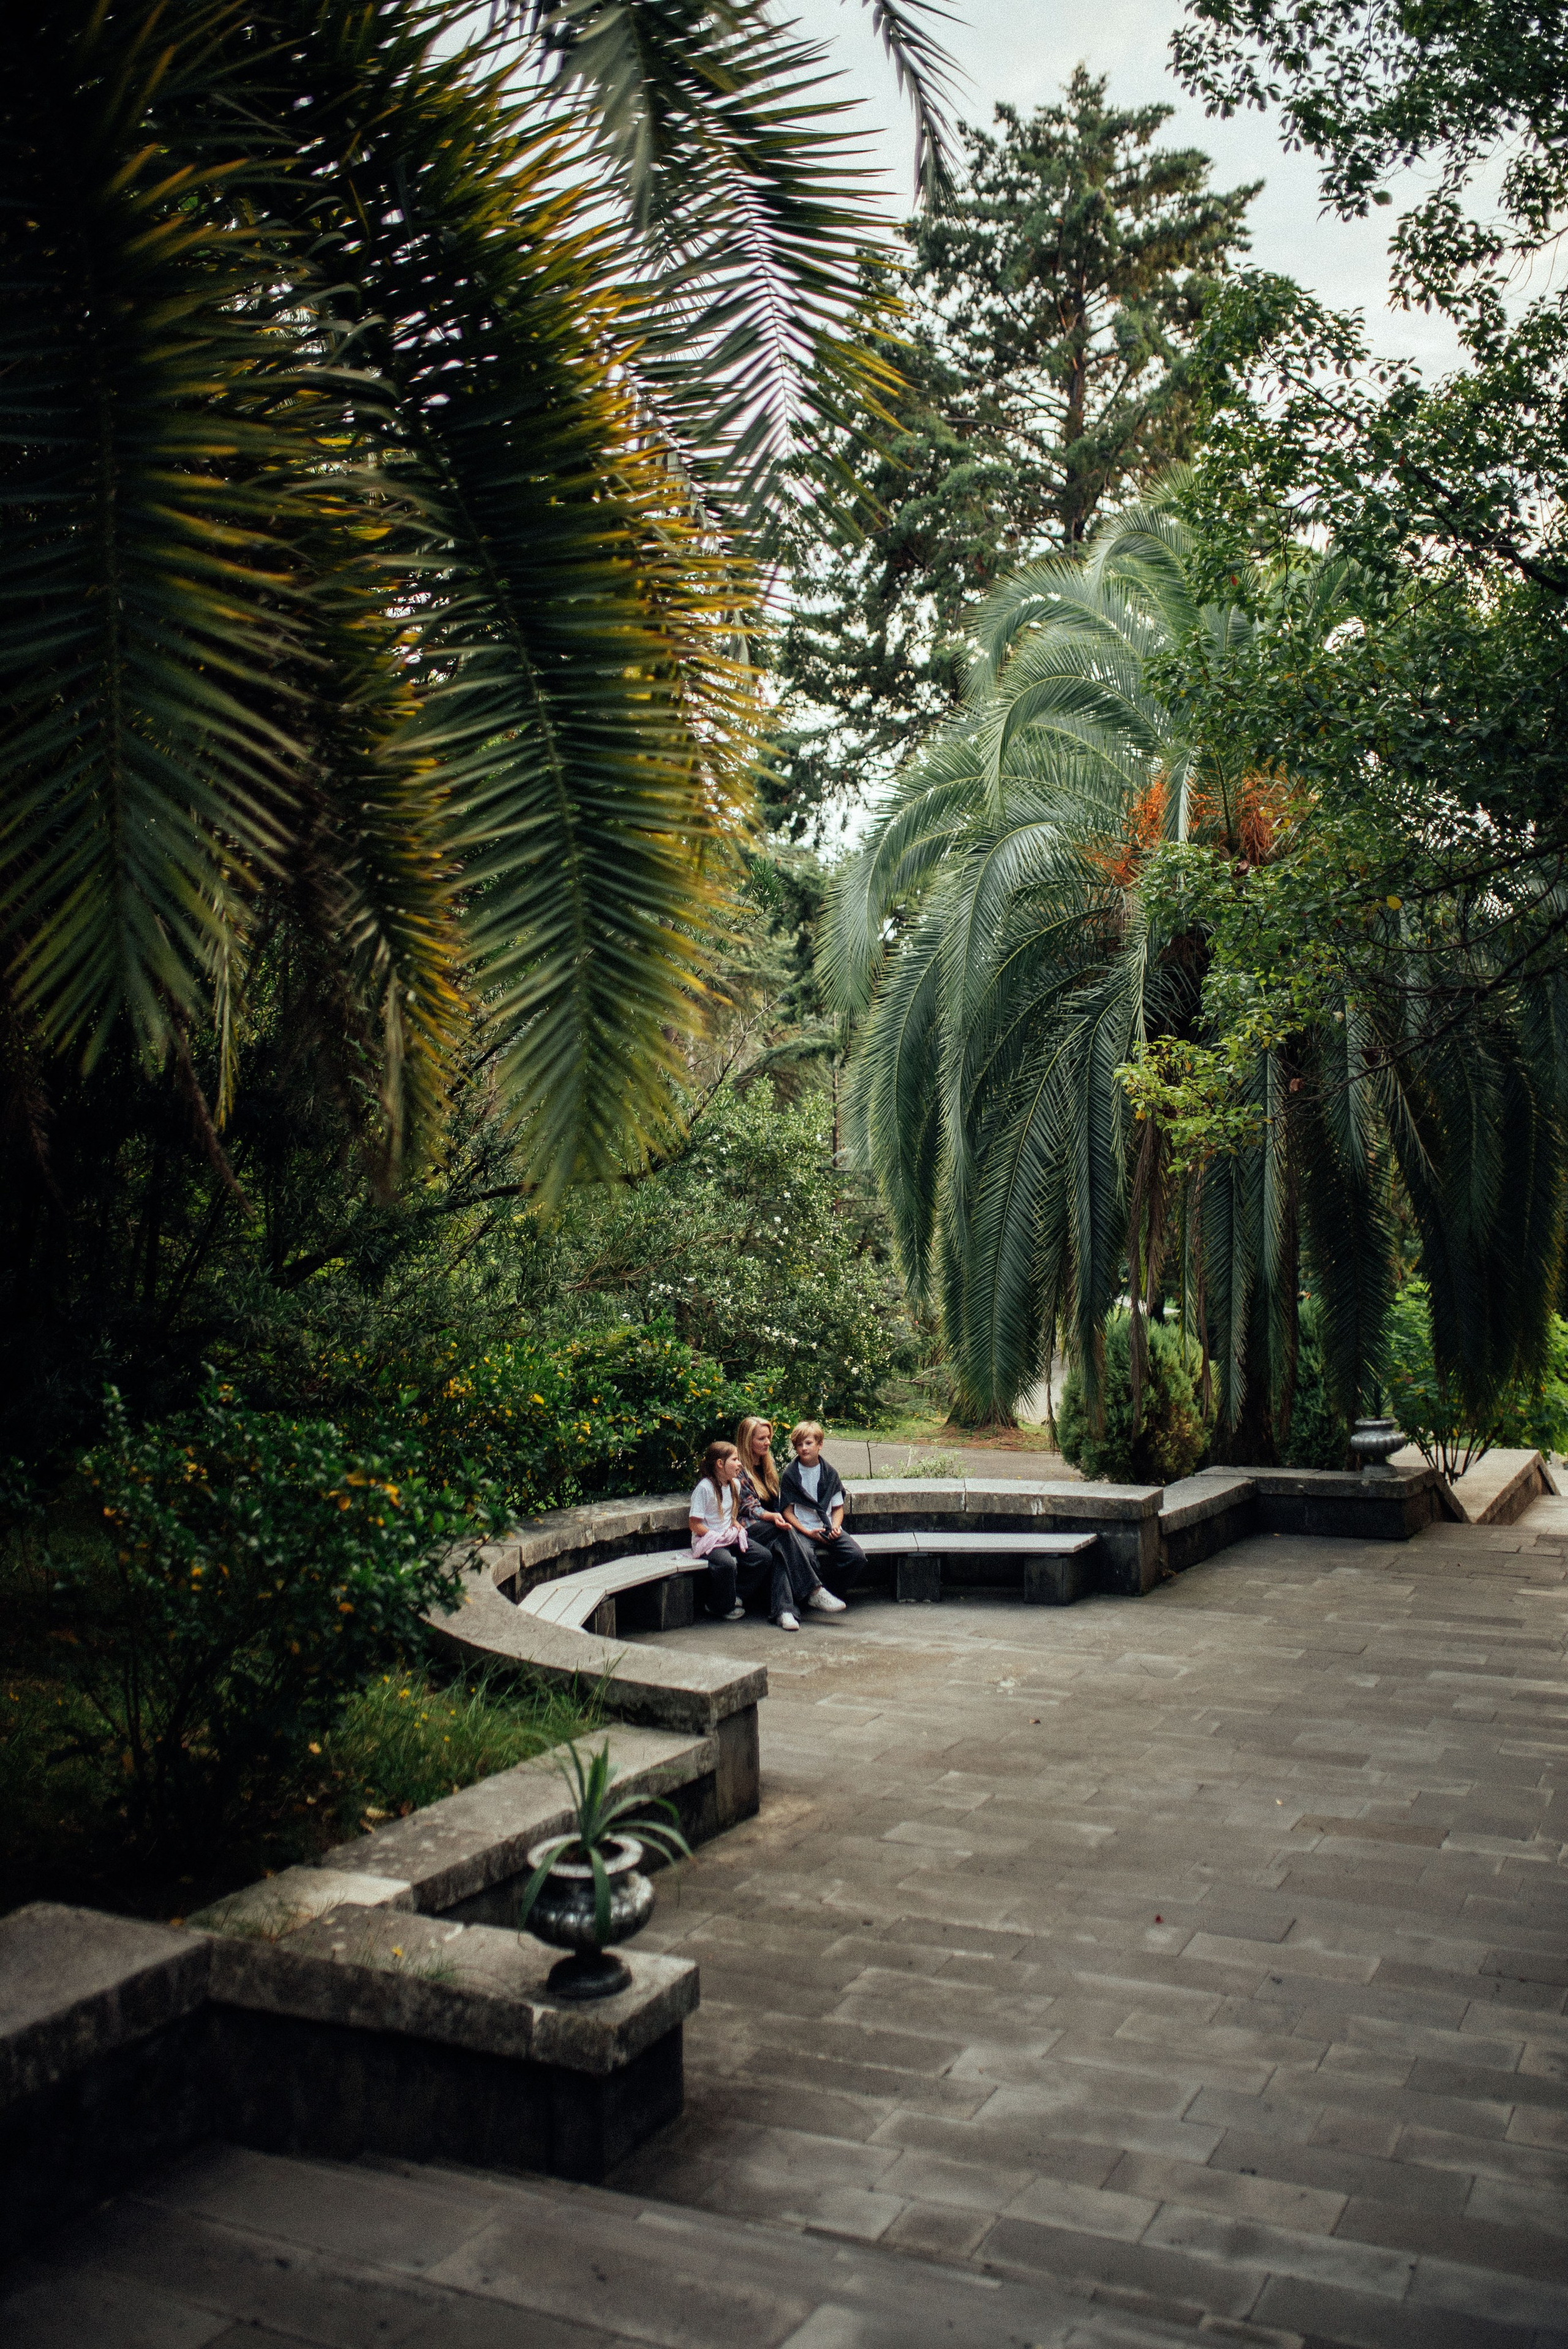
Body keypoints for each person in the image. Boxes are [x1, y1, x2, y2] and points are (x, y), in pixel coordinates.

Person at [688, 1438, 812, 1633]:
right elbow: (694, 1524)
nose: (739, 1464)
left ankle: (736, 1596)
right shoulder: (704, 1488)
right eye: (735, 1460)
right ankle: (719, 1606)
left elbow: (732, 1516)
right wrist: (716, 1536)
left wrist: (736, 1527)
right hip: (709, 1541)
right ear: (720, 1464)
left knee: (763, 1557)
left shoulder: (734, 1485)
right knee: (726, 1563)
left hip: (729, 1536)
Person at [735, 1416, 845, 1616]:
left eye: (768, 1437)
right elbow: (750, 1507)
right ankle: (813, 1590)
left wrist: (778, 1519)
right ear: (747, 1441)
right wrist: (773, 1517)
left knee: (781, 1554)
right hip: (748, 1530)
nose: (768, 1442)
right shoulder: (738, 1468)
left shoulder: (767, 1464)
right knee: (783, 1533)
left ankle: (785, 1613)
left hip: (771, 1529)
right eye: (761, 1439)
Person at [778, 1420, 865, 1601]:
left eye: (809, 1443)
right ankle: (811, 1595)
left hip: (826, 1527)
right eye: (799, 1445)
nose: (804, 1448)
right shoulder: (790, 1475)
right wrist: (808, 1532)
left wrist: (835, 1527)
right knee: (807, 1557)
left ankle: (832, 1591)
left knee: (856, 1557)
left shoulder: (829, 1473)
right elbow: (787, 1512)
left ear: (820, 1445)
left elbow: (837, 1507)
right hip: (803, 1529)